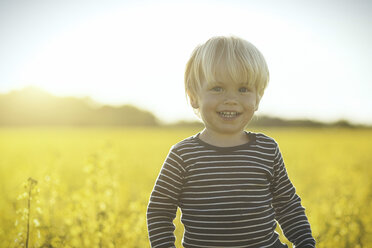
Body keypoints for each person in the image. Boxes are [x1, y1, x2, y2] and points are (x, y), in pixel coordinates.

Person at [147, 36, 316, 248]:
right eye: (217, 88)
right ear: (193, 96)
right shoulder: (182, 155)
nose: (231, 99)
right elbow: (159, 213)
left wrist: (306, 243)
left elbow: (287, 205)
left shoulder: (267, 149)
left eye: (243, 89)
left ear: (258, 98)